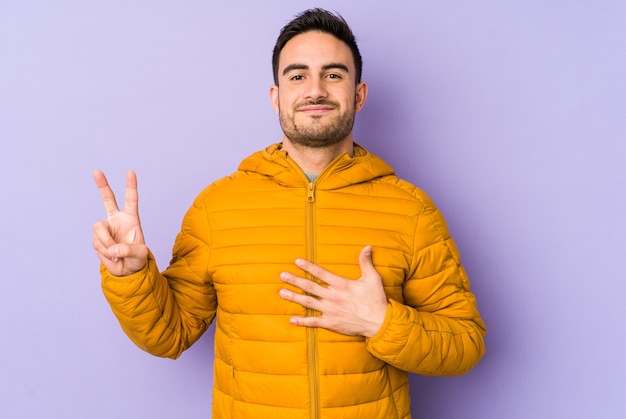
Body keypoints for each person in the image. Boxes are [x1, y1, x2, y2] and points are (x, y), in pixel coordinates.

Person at [92, 8, 486, 419]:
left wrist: (381, 322)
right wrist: (132, 277)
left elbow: (465, 344)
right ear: (276, 96)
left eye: (334, 74)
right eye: (297, 76)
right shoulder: (218, 206)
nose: (315, 89)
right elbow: (167, 336)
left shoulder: (411, 210)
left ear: (359, 94)